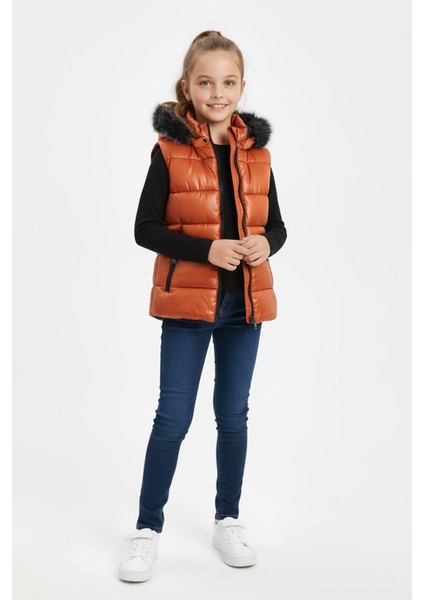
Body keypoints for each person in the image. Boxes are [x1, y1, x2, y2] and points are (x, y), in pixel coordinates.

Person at [118, 30, 287, 583]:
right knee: (173, 417)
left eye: (228, 82)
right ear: (187, 87)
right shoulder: (168, 152)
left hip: (245, 305)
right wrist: (207, 250)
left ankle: (227, 519)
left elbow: (277, 226)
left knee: (233, 415)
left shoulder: (257, 154)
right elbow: (145, 228)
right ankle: (146, 529)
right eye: (206, 82)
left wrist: (266, 244)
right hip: (188, 306)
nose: (218, 93)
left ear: (242, 87)